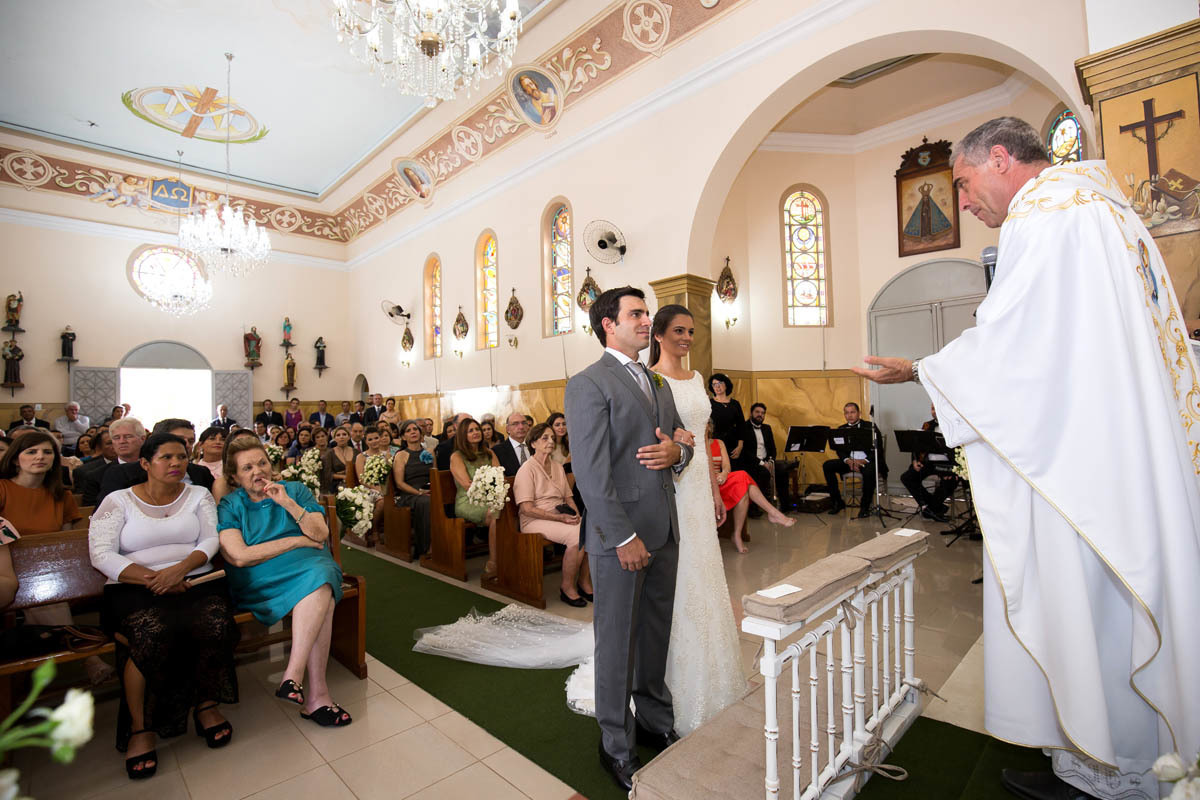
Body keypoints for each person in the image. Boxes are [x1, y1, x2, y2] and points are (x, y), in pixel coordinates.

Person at [852, 116, 1200, 800]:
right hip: (1121, 449)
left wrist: (918, 369)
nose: (964, 200)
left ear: (1002, 159)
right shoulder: (1109, 212)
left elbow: (1014, 350)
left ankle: (1112, 767)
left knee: (1093, 606)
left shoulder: (1044, 221)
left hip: (1081, 461)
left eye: (964, 181)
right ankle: (1125, 758)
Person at [564, 287, 694, 791]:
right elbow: (592, 476)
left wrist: (676, 457)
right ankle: (614, 744)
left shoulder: (657, 381)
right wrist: (623, 537)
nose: (646, 320)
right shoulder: (588, 384)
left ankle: (654, 721)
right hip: (622, 537)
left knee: (654, 634)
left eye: (645, 312)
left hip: (664, 527)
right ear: (607, 325)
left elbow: (682, 441)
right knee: (617, 642)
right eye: (636, 314)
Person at [88, 433, 239, 779]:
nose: (175, 464)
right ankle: (141, 728)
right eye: (166, 458)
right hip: (133, 587)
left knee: (214, 622)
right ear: (145, 463)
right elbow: (101, 553)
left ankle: (206, 703)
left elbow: (211, 537)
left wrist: (179, 570)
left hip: (194, 580)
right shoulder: (118, 500)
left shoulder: (198, 495)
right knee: (152, 631)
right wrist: (153, 579)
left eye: (182, 458)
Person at [643, 305, 754, 733]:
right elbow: (653, 441)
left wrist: (713, 492)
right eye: (678, 331)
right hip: (670, 493)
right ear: (658, 334)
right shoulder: (651, 381)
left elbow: (706, 440)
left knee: (706, 578)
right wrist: (673, 444)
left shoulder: (698, 379)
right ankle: (671, 682)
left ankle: (716, 674)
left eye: (690, 331)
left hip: (698, 492)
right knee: (679, 581)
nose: (686, 338)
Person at [217, 437, 352, 728]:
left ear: (272, 464)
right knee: (323, 591)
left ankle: (294, 676)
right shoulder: (231, 504)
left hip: (308, 566)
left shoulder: (295, 490)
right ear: (235, 477)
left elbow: (319, 533)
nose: (257, 471)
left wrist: (287, 502)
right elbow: (240, 556)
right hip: (261, 574)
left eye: (262, 463)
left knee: (320, 579)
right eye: (247, 467)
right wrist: (295, 541)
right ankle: (316, 695)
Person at [513, 422, 593, 606]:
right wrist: (560, 518)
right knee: (577, 537)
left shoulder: (557, 466)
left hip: (559, 516)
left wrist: (576, 515)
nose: (550, 441)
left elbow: (568, 496)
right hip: (534, 519)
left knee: (591, 530)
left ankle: (584, 581)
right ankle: (567, 588)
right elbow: (526, 509)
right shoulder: (526, 469)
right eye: (544, 438)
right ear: (533, 443)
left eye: (552, 437)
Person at [708, 420, 795, 553]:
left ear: (710, 427)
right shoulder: (695, 445)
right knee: (744, 481)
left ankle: (737, 534)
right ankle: (773, 513)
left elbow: (727, 466)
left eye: (707, 424)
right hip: (706, 485)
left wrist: (724, 473)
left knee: (743, 482)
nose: (705, 427)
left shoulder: (718, 443)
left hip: (721, 481)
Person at [99, 420, 213, 505]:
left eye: (191, 441)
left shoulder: (201, 473)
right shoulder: (122, 474)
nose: (186, 445)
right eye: (179, 439)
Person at [0, 430, 82, 533]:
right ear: (15, 460)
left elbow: (67, 540)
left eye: (47, 452)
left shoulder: (62, 495)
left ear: (54, 459)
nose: (40, 457)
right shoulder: (2, 489)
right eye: (31, 452)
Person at [448, 418, 501, 577]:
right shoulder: (457, 456)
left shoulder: (489, 453)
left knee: (510, 510)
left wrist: (496, 492)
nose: (476, 432)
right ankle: (494, 562)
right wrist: (491, 494)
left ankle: (511, 557)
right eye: (470, 431)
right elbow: (467, 485)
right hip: (469, 500)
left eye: (477, 429)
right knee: (495, 514)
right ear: (463, 435)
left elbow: (499, 477)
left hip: (491, 498)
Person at [821, 402, 886, 519]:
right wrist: (848, 461)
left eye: (852, 412)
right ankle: (837, 502)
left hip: (868, 461)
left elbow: (878, 449)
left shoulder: (870, 426)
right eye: (847, 413)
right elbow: (839, 450)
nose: (849, 415)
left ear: (859, 413)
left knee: (869, 472)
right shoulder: (841, 429)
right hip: (850, 462)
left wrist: (863, 461)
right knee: (827, 465)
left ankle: (865, 507)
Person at [898, 404, 958, 523]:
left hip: (948, 464)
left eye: (937, 408)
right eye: (932, 409)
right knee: (907, 477)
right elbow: (917, 446)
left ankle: (929, 509)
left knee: (949, 481)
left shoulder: (955, 425)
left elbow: (960, 450)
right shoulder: (927, 425)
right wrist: (915, 460)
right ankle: (935, 508)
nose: (934, 411)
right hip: (929, 462)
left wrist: (953, 468)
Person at [733, 402, 794, 509]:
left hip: (767, 461)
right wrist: (762, 463)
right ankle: (755, 507)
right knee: (763, 473)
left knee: (782, 471)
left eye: (762, 413)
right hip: (751, 462)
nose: (760, 415)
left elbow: (772, 448)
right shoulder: (744, 427)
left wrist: (770, 461)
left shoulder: (767, 428)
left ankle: (785, 505)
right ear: (751, 413)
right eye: (757, 412)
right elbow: (745, 451)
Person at [391, 420, 433, 558]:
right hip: (409, 494)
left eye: (415, 429)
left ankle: (450, 543)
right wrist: (419, 492)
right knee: (426, 502)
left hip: (428, 490)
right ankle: (425, 548)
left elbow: (435, 474)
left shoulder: (429, 452)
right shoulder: (401, 455)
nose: (413, 432)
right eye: (408, 431)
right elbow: (399, 483)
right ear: (403, 437)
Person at [74, 429, 118, 505]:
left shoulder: (140, 465)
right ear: (99, 448)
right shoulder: (85, 472)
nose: (115, 445)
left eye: (117, 441)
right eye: (109, 443)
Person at [707, 373, 744, 458]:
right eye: (714, 384)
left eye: (720, 383)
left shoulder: (735, 404)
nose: (717, 386)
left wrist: (740, 446)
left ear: (726, 385)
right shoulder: (709, 403)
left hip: (733, 445)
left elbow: (741, 426)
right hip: (716, 443)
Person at [492, 411, 531, 476]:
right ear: (507, 429)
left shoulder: (535, 446)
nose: (521, 427)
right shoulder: (497, 451)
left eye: (524, 423)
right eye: (515, 424)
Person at [321, 426, 355, 494]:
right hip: (337, 485)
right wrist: (343, 476)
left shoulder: (356, 452)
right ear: (334, 438)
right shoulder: (329, 454)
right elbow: (327, 474)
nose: (341, 437)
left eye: (344, 434)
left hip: (355, 482)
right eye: (338, 435)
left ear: (349, 437)